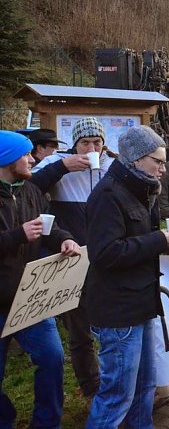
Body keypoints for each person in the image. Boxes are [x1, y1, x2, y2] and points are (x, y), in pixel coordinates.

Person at [85, 126, 169, 428]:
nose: (163, 169)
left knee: (144, 390)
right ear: (137, 159)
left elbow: (134, 244)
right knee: (117, 396)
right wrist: (158, 240)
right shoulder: (108, 195)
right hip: (119, 314)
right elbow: (105, 253)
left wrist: (161, 243)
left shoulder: (140, 190)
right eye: (159, 161)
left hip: (141, 305)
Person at [0, 130, 81, 429]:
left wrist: (65, 239)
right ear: (7, 159)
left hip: (30, 299)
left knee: (52, 359)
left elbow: (49, 225)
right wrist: (16, 236)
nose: (32, 158)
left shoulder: (31, 190)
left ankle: (47, 423)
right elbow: (19, 235)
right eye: (24, 154)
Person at [30, 117, 113, 401]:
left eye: (96, 142)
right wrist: (62, 167)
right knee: (78, 328)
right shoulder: (54, 165)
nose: (91, 148)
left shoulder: (111, 166)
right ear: (74, 144)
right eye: (84, 143)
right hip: (71, 257)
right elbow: (29, 189)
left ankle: (115, 380)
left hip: (106, 257)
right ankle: (91, 386)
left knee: (112, 323)